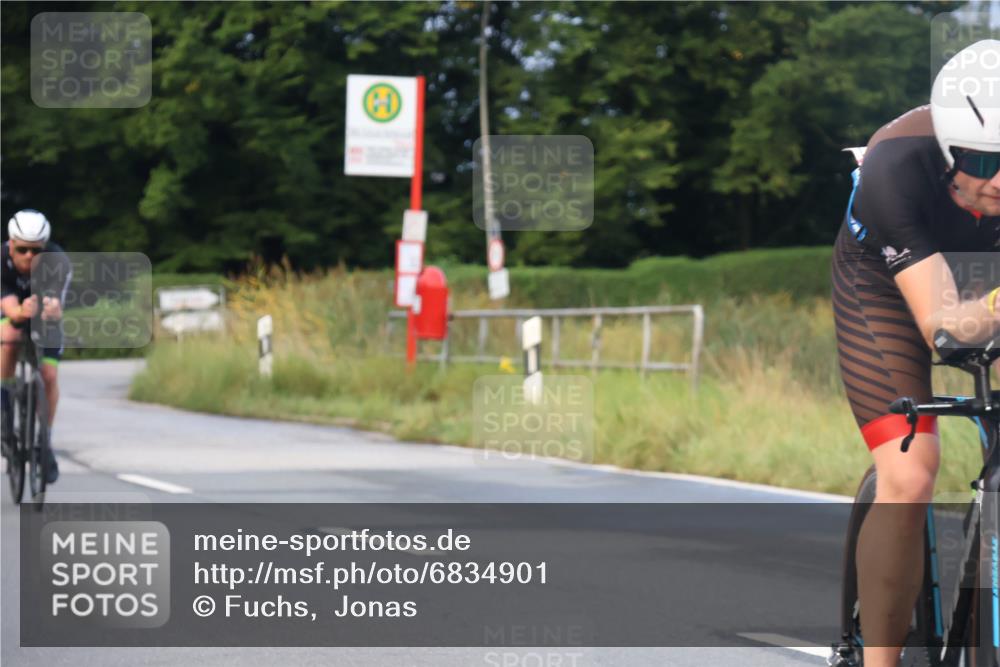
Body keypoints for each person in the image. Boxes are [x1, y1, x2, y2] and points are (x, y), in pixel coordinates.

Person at [831, 39, 1000, 666]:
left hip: (986, 273)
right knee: (909, 471)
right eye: (986, 159)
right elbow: (946, 326)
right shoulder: (894, 166)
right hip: (884, 281)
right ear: (953, 151)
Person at [1, 209, 72, 484]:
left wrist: (52, 308)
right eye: (22, 250)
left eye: (36, 250)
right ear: (10, 244)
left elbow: (56, 301)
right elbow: (9, 308)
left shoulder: (58, 261)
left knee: (49, 375)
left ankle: (45, 440)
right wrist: (19, 312)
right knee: (9, 339)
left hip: (43, 316)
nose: (29, 256)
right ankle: (4, 402)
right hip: (11, 310)